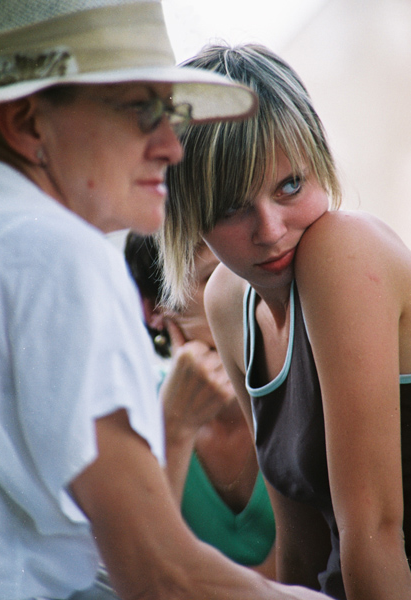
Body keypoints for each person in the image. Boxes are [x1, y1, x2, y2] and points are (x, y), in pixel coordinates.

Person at [0, 1, 331, 598]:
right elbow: (156, 572)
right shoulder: (54, 251)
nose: (173, 147)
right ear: (27, 123)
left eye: (170, 112)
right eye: (142, 110)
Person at [161, 43, 411, 600]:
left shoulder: (343, 250)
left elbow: (374, 534)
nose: (270, 229)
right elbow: (300, 546)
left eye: (290, 186)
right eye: (230, 207)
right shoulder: (228, 301)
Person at [124, 232, 276, 575]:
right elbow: (142, 574)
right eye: (213, 276)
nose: (248, 290)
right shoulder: (129, 415)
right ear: (154, 309)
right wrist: (174, 427)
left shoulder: (309, 392)